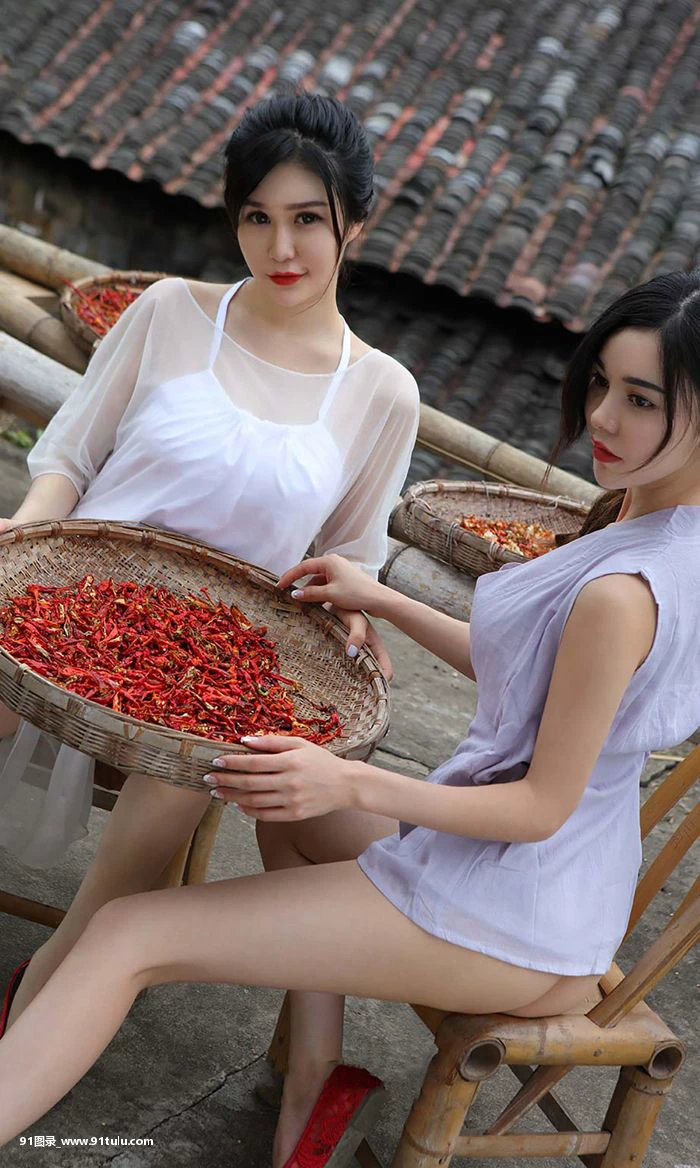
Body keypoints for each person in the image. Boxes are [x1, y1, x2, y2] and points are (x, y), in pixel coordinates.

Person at [1, 272, 699, 1168]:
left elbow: (539, 808)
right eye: (600, 383)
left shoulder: (622, 591)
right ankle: (311, 1083)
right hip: (534, 881)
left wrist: (351, 782)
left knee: (127, 933)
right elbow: (542, 678)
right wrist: (385, 599)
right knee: (280, 794)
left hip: (513, 914)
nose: (601, 417)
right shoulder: (655, 526)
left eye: (641, 400)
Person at [0, 93, 420, 1035]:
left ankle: (45, 988)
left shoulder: (382, 391)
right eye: (256, 218)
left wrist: (357, 615)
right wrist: (22, 534)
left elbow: (347, 557)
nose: (282, 248)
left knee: (196, 769)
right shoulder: (170, 312)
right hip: (72, 599)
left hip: (210, 653)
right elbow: (70, 457)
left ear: (355, 222)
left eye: (308, 220)